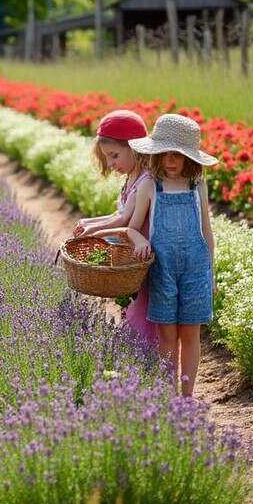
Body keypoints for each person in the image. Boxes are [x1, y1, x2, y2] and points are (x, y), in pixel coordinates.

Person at [92, 113, 218, 396]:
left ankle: (187, 396)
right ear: (155, 155)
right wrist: (138, 241)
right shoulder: (151, 186)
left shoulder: (199, 187)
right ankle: (167, 394)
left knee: (191, 333)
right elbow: (131, 228)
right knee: (166, 335)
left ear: (190, 159)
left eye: (178, 155)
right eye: (165, 154)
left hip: (195, 270)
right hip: (163, 271)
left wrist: (212, 274)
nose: (171, 161)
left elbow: (207, 235)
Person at [73, 109, 158, 347]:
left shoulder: (145, 180)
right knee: (133, 308)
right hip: (129, 255)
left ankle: (152, 368)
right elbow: (118, 214)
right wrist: (88, 223)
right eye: (108, 158)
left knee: (143, 318)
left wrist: (92, 232)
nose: (111, 164)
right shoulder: (131, 178)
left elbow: (123, 221)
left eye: (114, 156)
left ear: (135, 148)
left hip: (142, 255)